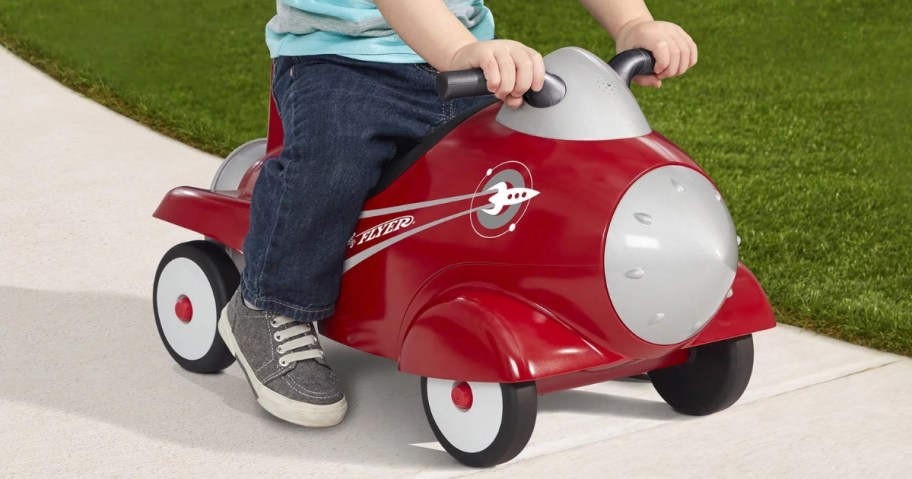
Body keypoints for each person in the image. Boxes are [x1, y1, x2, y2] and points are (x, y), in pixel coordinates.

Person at [218, 0, 698, 427]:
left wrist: (632, 20)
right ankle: (271, 304)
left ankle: (554, 303)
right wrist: (457, 52)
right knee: (331, 165)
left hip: (464, 58)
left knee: (518, 174)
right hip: (342, 62)